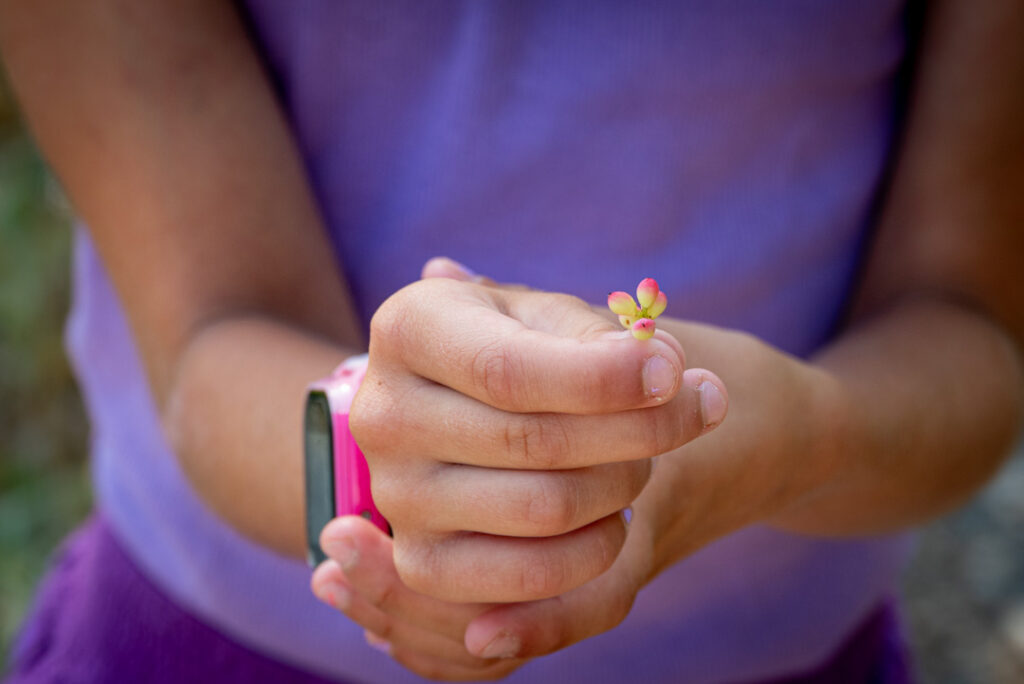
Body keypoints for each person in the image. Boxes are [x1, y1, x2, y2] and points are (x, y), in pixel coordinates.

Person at [2, 1, 1022, 682]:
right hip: (212, 649)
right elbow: (210, 337)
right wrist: (387, 495)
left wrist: (791, 434)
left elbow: (969, 330)